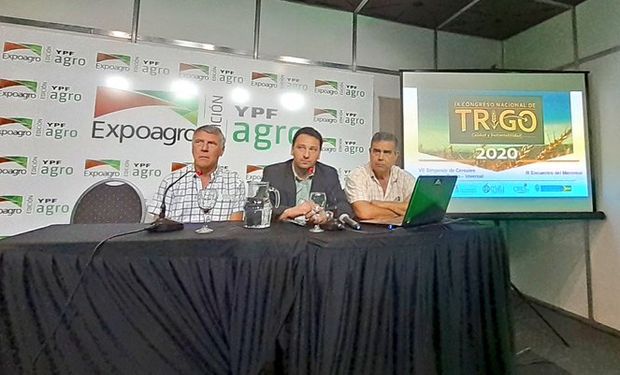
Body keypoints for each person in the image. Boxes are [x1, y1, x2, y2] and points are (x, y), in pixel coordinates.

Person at [148, 125, 244, 223]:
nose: (204, 148)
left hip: (219, 238)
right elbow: (159, 223)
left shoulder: (235, 182)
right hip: (179, 238)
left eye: (211, 143)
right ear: (192, 147)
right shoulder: (171, 181)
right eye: (199, 142)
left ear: (222, 150)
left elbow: (234, 228)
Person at [261, 126, 352, 224]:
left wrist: (326, 215)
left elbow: (343, 205)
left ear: (319, 154)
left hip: (317, 233)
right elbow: (261, 207)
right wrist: (289, 212)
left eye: (313, 149)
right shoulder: (273, 173)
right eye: (301, 148)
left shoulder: (329, 174)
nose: (306, 155)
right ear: (292, 150)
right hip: (283, 233)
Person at [345, 131, 416, 221]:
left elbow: (415, 210)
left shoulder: (405, 177)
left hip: (399, 233)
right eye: (376, 151)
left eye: (386, 152)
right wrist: (400, 211)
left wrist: (382, 204)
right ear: (370, 152)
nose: (380, 157)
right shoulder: (357, 176)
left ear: (396, 156)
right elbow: (364, 213)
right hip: (368, 233)